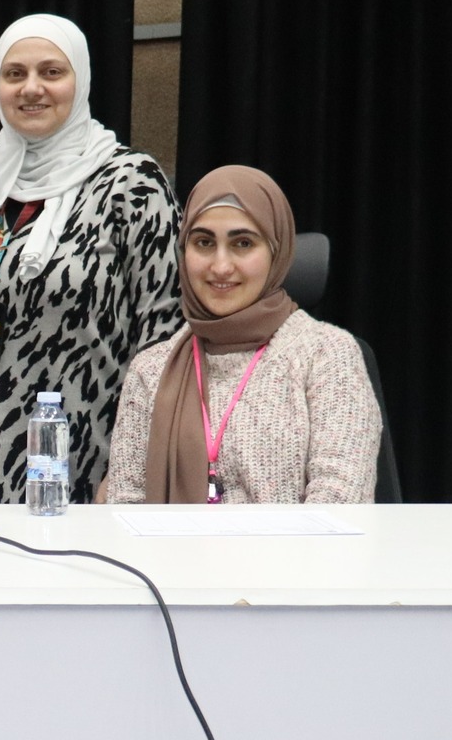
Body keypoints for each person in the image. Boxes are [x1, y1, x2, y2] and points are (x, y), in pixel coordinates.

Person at [0, 14, 179, 504]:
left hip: (90, 465)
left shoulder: (131, 183)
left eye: (51, 72)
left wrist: (131, 471)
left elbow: (164, 343)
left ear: (80, 80)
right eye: (15, 74)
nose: (31, 88)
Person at [101, 166, 380, 504]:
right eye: (204, 243)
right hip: (168, 543)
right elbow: (125, 508)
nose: (221, 266)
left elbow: (340, 504)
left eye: (243, 243)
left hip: (296, 544)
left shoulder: (327, 355)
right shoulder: (151, 370)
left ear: (277, 250)